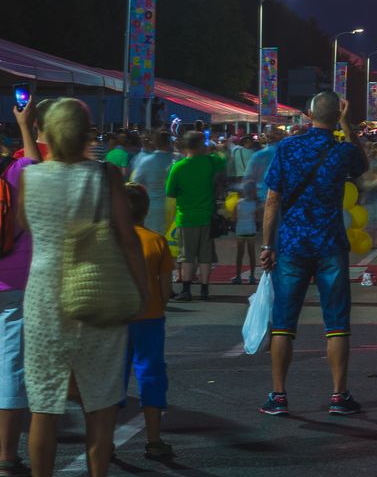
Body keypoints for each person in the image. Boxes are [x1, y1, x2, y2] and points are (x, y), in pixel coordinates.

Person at [19, 98, 147, 477]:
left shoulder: (30, 177)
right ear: (85, 132)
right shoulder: (105, 175)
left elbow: (24, 224)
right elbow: (128, 238)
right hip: (97, 289)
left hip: (44, 298)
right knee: (101, 402)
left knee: (44, 404)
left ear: (48, 132)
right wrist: (142, 291)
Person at [259, 91, 368, 418]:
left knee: (283, 323)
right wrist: (347, 125)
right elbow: (362, 164)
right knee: (336, 323)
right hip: (330, 243)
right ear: (337, 115)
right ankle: (339, 394)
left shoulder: (287, 148)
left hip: (292, 244)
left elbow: (272, 200)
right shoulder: (342, 150)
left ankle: (279, 395)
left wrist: (267, 245)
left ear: (308, 114)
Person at [0, 103, 41, 477]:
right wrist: (26, 125)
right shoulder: (15, 172)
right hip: (14, 283)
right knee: (11, 369)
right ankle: (7, 456)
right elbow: (35, 168)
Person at [124, 184, 175, 460]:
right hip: (150, 317)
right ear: (146, 211)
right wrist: (158, 304)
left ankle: (103, 441)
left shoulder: (111, 242)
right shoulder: (157, 241)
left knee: (113, 379)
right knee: (151, 375)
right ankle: (154, 440)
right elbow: (166, 288)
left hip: (117, 320)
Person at [165, 130, 226, 301]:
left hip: (186, 217)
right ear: (202, 145)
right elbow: (222, 162)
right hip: (207, 216)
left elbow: (170, 192)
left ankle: (186, 290)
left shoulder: (178, 167)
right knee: (205, 255)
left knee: (187, 255)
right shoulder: (211, 161)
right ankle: (204, 290)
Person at [130, 131, 174, 233]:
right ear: (170, 142)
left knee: (155, 235)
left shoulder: (146, 161)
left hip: (154, 206)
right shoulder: (178, 159)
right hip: (174, 206)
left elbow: (136, 182)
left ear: (155, 142)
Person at [233, 179, 259, 284]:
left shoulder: (238, 203)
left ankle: (238, 276)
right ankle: (252, 276)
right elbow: (257, 217)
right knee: (251, 253)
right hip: (251, 229)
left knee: (240, 254)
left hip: (240, 230)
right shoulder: (254, 204)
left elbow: (234, 217)